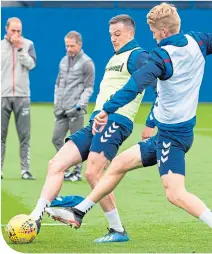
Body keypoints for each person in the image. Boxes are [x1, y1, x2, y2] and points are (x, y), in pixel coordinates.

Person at [47, 3, 212, 253]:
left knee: (175, 193)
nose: (153, 36)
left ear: (164, 32)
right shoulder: (199, 41)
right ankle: (79, 212)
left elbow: (133, 87)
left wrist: (105, 110)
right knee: (119, 164)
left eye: (154, 32)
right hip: (175, 131)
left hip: (171, 137)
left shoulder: (161, 57)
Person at [29, 14, 156, 243]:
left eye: (118, 34)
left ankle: (116, 229)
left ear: (131, 33)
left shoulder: (139, 55)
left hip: (116, 121)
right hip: (96, 122)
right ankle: (35, 217)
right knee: (56, 164)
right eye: (111, 35)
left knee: (92, 172)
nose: (113, 39)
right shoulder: (114, 58)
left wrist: (151, 121)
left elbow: (158, 82)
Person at [53, 31, 95, 182]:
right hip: (62, 109)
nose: (69, 49)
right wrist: (56, 103)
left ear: (80, 45)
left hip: (76, 110)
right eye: (67, 46)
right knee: (56, 138)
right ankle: (67, 166)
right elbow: (58, 84)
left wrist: (79, 106)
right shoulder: (63, 61)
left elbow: (89, 87)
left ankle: (77, 172)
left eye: (72, 46)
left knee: (77, 143)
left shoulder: (87, 63)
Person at [1, 17, 36, 180]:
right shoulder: (0, 47)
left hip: (22, 96)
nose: (16, 34)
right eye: (13, 30)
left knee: (24, 136)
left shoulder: (28, 44)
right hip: (3, 96)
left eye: (19, 31)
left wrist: (20, 49)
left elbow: (32, 65)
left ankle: (25, 170)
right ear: (6, 29)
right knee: (1, 135)